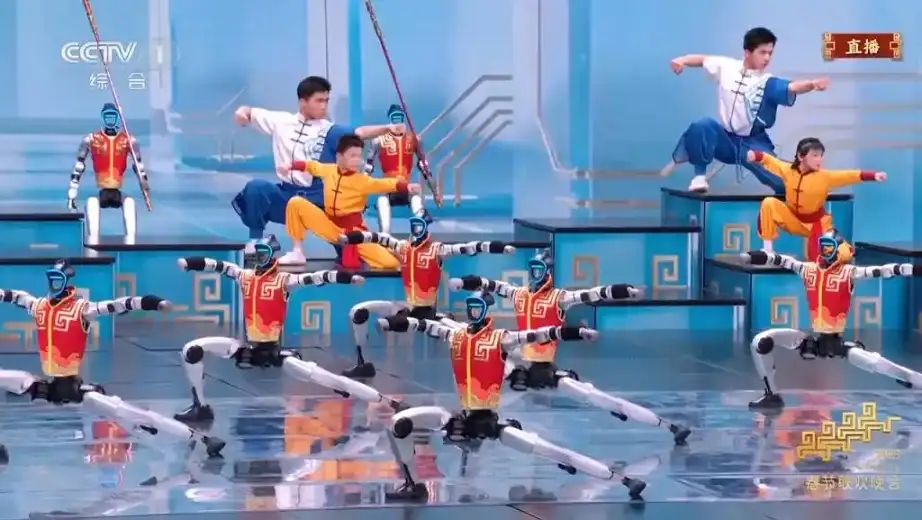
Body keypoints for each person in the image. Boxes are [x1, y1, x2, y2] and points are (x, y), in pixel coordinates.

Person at [280, 292, 648, 502]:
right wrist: (390, 323)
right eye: (469, 309)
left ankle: (622, 480)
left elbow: (540, 334)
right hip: (459, 417)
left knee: (553, 452)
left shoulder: (501, 338)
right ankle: (412, 484)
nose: (473, 313)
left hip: (490, 420)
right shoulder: (456, 335)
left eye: (477, 309)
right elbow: (422, 324)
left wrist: (576, 333)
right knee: (400, 423)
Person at [449, 250, 690, 445]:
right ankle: (474, 425)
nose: (535, 274)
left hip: (545, 369)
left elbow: (591, 294)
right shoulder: (519, 294)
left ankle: (667, 425)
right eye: (533, 269)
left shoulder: (558, 297)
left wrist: (625, 291)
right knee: (479, 371)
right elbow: (489, 283)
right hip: (519, 368)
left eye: (539, 269)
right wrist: (463, 282)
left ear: (547, 272)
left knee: (596, 397)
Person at [0, 260, 225, 461]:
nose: (54, 283)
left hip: (71, 386)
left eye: (58, 278)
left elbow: (118, 305)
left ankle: (202, 439)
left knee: (136, 414)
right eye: (51, 278)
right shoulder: (39, 307)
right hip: (45, 385)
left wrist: (151, 303)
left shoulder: (81, 309)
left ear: (66, 280)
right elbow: (16, 296)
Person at [171, 235, 365, 423]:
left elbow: (315, 277)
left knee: (320, 376)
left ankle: (359, 391)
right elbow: (217, 265)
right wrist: (190, 263)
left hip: (274, 351)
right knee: (192, 350)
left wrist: (347, 278)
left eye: (263, 253)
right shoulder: (244, 276)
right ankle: (200, 407)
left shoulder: (283, 280)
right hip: (245, 347)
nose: (259, 257)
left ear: (272, 255)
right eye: (257, 253)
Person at [739, 233, 922, 412]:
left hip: (835, 341)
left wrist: (912, 269)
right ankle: (771, 395)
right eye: (823, 246)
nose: (825, 250)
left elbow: (882, 270)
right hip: (812, 339)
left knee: (876, 363)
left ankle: (914, 379)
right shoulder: (808, 269)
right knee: (761, 342)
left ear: (838, 250)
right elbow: (782, 260)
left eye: (830, 247)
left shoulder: (847, 273)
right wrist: (753, 256)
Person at [230, 76, 405, 263]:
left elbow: (360, 133)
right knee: (256, 188)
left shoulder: (330, 130)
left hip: (321, 203)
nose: (324, 106)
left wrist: (387, 128)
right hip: (287, 197)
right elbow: (248, 112)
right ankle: (256, 242)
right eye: (319, 100)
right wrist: (242, 113)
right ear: (303, 101)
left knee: (355, 255)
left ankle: (396, 252)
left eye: (326, 101)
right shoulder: (280, 121)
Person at [337, 218, 515, 378]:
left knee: (470, 336)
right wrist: (350, 238)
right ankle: (362, 364)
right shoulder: (403, 247)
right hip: (405, 307)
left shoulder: (437, 250)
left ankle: (507, 368)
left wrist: (500, 248)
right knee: (358, 311)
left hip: (428, 312)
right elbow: (377, 238)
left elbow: (469, 247)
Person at [663, 27, 830, 193]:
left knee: (783, 183)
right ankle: (699, 177)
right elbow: (703, 60)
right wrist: (682, 60)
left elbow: (792, 87)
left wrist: (811, 84)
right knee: (702, 125)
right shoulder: (726, 66)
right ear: (748, 52)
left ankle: (806, 185)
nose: (767, 58)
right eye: (762, 52)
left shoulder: (767, 81)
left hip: (753, 144)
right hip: (725, 140)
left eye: (770, 53)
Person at [282, 135, 422, 270]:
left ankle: (399, 249)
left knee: (389, 263)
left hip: (354, 234)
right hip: (329, 225)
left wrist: (406, 186)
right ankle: (297, 252)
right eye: (352, 156)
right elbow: (312, 166)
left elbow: (384, 184)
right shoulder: (329, 170)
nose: (357, 160)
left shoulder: (362, 180)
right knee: (296, 203)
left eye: (359, 156)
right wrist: (291, 165)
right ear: (339, 157)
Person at [747, 139, 885, 258]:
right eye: (814, 155)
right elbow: (770, 161)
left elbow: (850, 175)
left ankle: (843, 252)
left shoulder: (825, 177)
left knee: (840, 254)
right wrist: (755, 155)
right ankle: (768, 251)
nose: (819, 159)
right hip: (792, 219)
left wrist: (873, 176)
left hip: (817, 224)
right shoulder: (788, 170)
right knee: (769, 203)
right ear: (801, 156)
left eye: (821, 156)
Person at [71, 102, 149, 241]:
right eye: (107, 116)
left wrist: (144, 184)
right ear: (103, 117)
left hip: (117, 191)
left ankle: (131, 244)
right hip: (101, 191)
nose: (110, 119)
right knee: (91, 204)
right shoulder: (92, 139)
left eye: (113, 116)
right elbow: (79, 166)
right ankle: (93, 244)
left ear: (118, 117)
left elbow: (138, 165)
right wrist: (72, 192)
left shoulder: (128, 140)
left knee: (130, 204)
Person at [365, 104, 435, 233]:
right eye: (394, 118)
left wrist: (434, 190)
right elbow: (368, 168)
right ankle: (385, 236)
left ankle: (418, 235)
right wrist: (361, 193)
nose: (397, 121)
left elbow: (423, 165)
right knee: (382, 202)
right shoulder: (379, 140)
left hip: (407, 187)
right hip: (388, 187)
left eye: (400, 117)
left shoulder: (413, 139)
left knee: (416, 201)